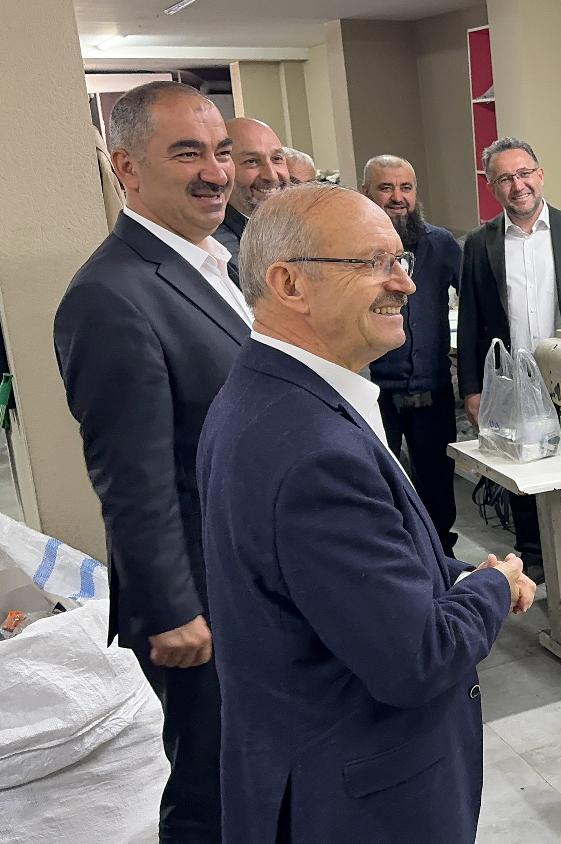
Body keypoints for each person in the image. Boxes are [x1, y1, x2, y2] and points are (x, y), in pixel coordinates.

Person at [197, 182, 536, 843]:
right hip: (357, 799)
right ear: (289, 283)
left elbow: (348, 577)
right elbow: (420, 658)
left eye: (400, 261)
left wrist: (459, 577)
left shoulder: (266, 394)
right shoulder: (314, 451)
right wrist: (496, 585)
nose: (405, 284)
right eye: (373, 263)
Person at [54, 80, 251, 842]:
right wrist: (171, 608)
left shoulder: (218, 262)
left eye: (221, 151)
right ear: (126, 168)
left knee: (255, 766)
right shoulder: (110, 295)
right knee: (212, 784)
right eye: (188, 154)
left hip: (246, 572)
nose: (216, 172)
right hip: (197, 598)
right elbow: (130, 477)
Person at [456, 137, 561, 579]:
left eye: (524, 173)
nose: (518, 185)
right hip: (513, 383)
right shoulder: (479, 245)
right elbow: (469, 322)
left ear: (540, 175)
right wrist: (472, 389)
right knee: (522, 474)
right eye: (505, 178)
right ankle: (535, 561)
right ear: (492, 187)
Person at [361, 154, 462, 556]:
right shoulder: (351, 249)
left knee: (437, 486)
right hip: (374, 393)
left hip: (432, 390)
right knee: (378, 487)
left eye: (406, 187)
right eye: (386, 187)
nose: (397, 197)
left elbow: (475, 306)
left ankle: (443, 559)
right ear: (366, 192)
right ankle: (397, 560)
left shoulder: (442, 245)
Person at [212, 117, 288, 284]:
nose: (271, 175)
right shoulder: (220, 247)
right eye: (252, 161)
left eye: (277, 159)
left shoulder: (297, 227)